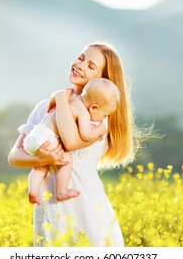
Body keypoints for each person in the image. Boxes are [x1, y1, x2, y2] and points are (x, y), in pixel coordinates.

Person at [8, 42, 141, 246]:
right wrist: (40, 159)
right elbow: (14, 156)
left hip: (87, 205)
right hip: (52, 207)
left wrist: (61, 99)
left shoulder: (98, 114)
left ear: (103, 79)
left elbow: (70, 142)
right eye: (80, 58)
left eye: (90, 66)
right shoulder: (45, 107)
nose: (80, 65)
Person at [25, 77, 120, 205]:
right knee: (66, 159)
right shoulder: (83, 112)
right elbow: (85, 134)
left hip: (34, 136)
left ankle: (33, 189)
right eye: (104, 115)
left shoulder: (71, 100)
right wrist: (99, 130)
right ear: (93, 107)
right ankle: (61, 191)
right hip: (47, 138)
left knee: (40, 168)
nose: (103, 118)